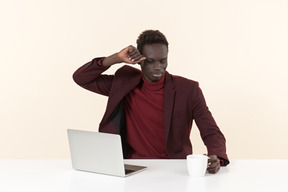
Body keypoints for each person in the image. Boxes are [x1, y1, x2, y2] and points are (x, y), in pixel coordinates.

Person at [73, 30, 229, 174]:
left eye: (162, 61)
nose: (157, 67)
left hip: (174, 168)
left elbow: (211, 131)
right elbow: (81, 78)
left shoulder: (188, 90)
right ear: (139, 60)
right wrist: (116, 58)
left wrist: (217, 157)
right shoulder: (123, 84)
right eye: (150, 61)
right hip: (133, 167)